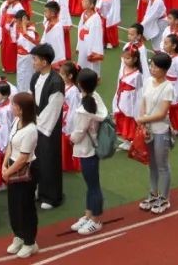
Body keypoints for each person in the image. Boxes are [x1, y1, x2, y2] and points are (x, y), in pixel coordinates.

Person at [68, 67, 107, 235]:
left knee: (92, 185)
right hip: (92, 147)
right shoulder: (95, 98)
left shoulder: (85, 109)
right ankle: (88, 215)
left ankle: (96, 220)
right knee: (91, 184)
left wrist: (71, 139)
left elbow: (78, 133)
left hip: (87, 149)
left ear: (79, 85)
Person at [3, 92, 40, 259]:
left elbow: (24, 157)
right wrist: (5, 164)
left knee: (25, 206)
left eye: (14, 106)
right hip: (12, 166)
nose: (12, 108)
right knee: (13, 205)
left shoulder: (31, 130)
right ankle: (18, 235)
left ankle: (30, 242)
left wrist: (7, 172)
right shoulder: (17, 121)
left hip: (26, 170)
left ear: (22, 109)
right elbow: (11, 144)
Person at [137, 51, 174, 215]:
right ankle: (153, 194)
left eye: (155, 67)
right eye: (151, 66)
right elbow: (143, 102)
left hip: (160, 130)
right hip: (149, 129)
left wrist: (144, 120)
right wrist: (144, 124)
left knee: (162, 165)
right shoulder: (148, 82)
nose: (152, 69)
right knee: (151, 163)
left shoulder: (168, 88)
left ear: (164, 70)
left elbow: (162, 113)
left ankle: (164, 199)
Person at [29, 44, 65, 210]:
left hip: (48, 127)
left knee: (49, 159)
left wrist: (39, 125)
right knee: (36, 160)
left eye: (35, 59)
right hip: (36, 122)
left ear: (44, 62)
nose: (33, 62)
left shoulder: (56, 82)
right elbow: (33, 98)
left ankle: (51, 196)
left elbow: (54, 108)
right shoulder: (36, 77)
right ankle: (38, 189)